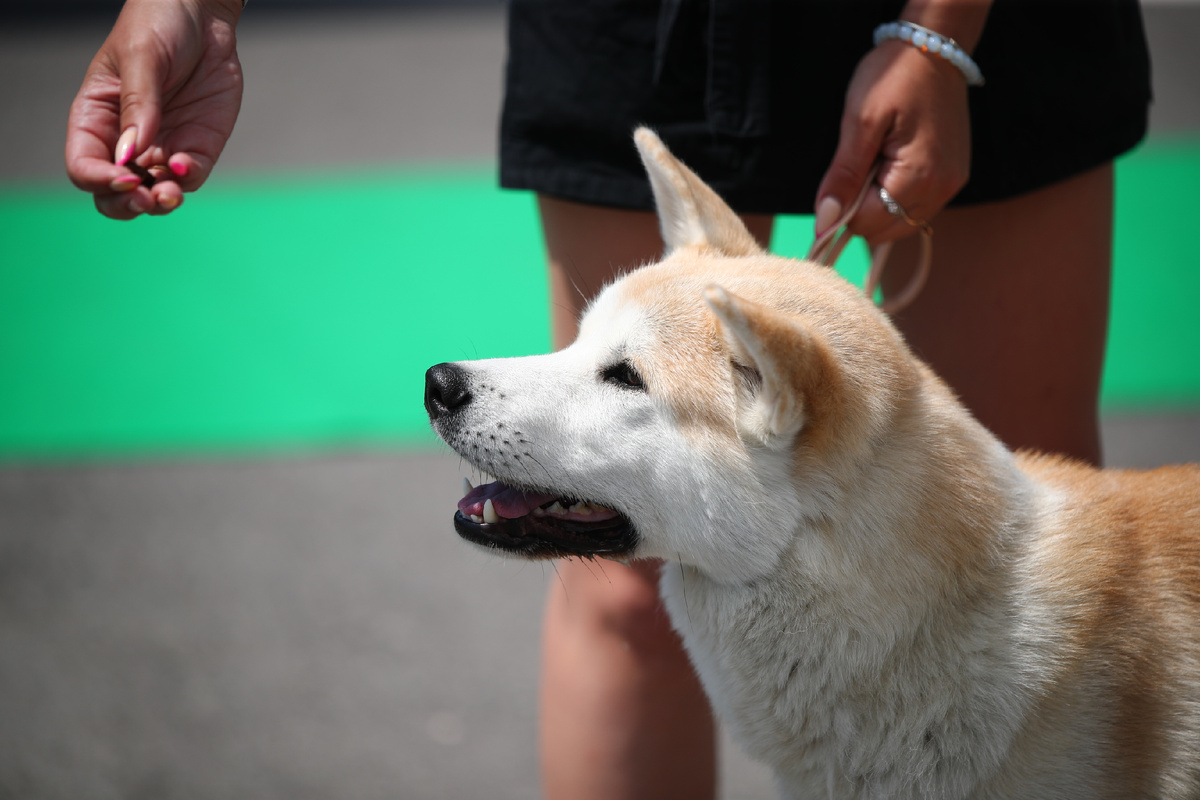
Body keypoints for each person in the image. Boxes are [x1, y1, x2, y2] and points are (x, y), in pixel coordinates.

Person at [65, 1, 1152, 798]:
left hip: (987, 30)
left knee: (1034, 550)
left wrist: (937, 33)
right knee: (625, 590)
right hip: (640, 22)